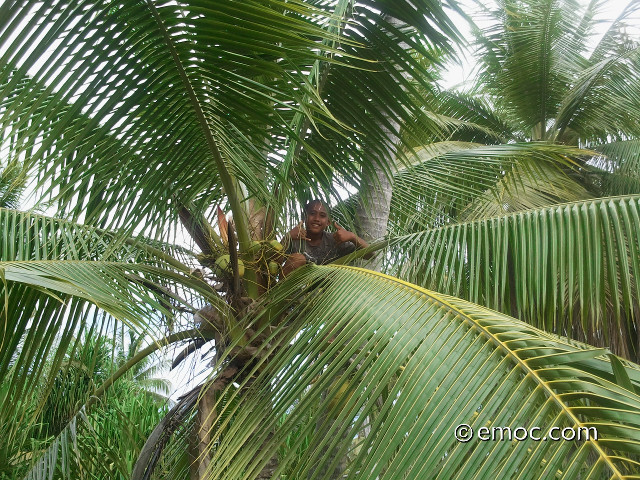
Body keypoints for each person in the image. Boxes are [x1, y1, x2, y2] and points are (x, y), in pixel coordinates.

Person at [281, 199, 371, 276]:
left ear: (328, 222)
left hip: (328, 292)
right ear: (304, 217)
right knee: (297, 259)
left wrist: (352, 237)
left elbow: (370, 254)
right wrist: (287, 237)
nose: (316, 218)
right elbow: (272, 263)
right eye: (312, 213)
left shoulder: (335, 240)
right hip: (295, 291)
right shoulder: (294, 239)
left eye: (322, 215)